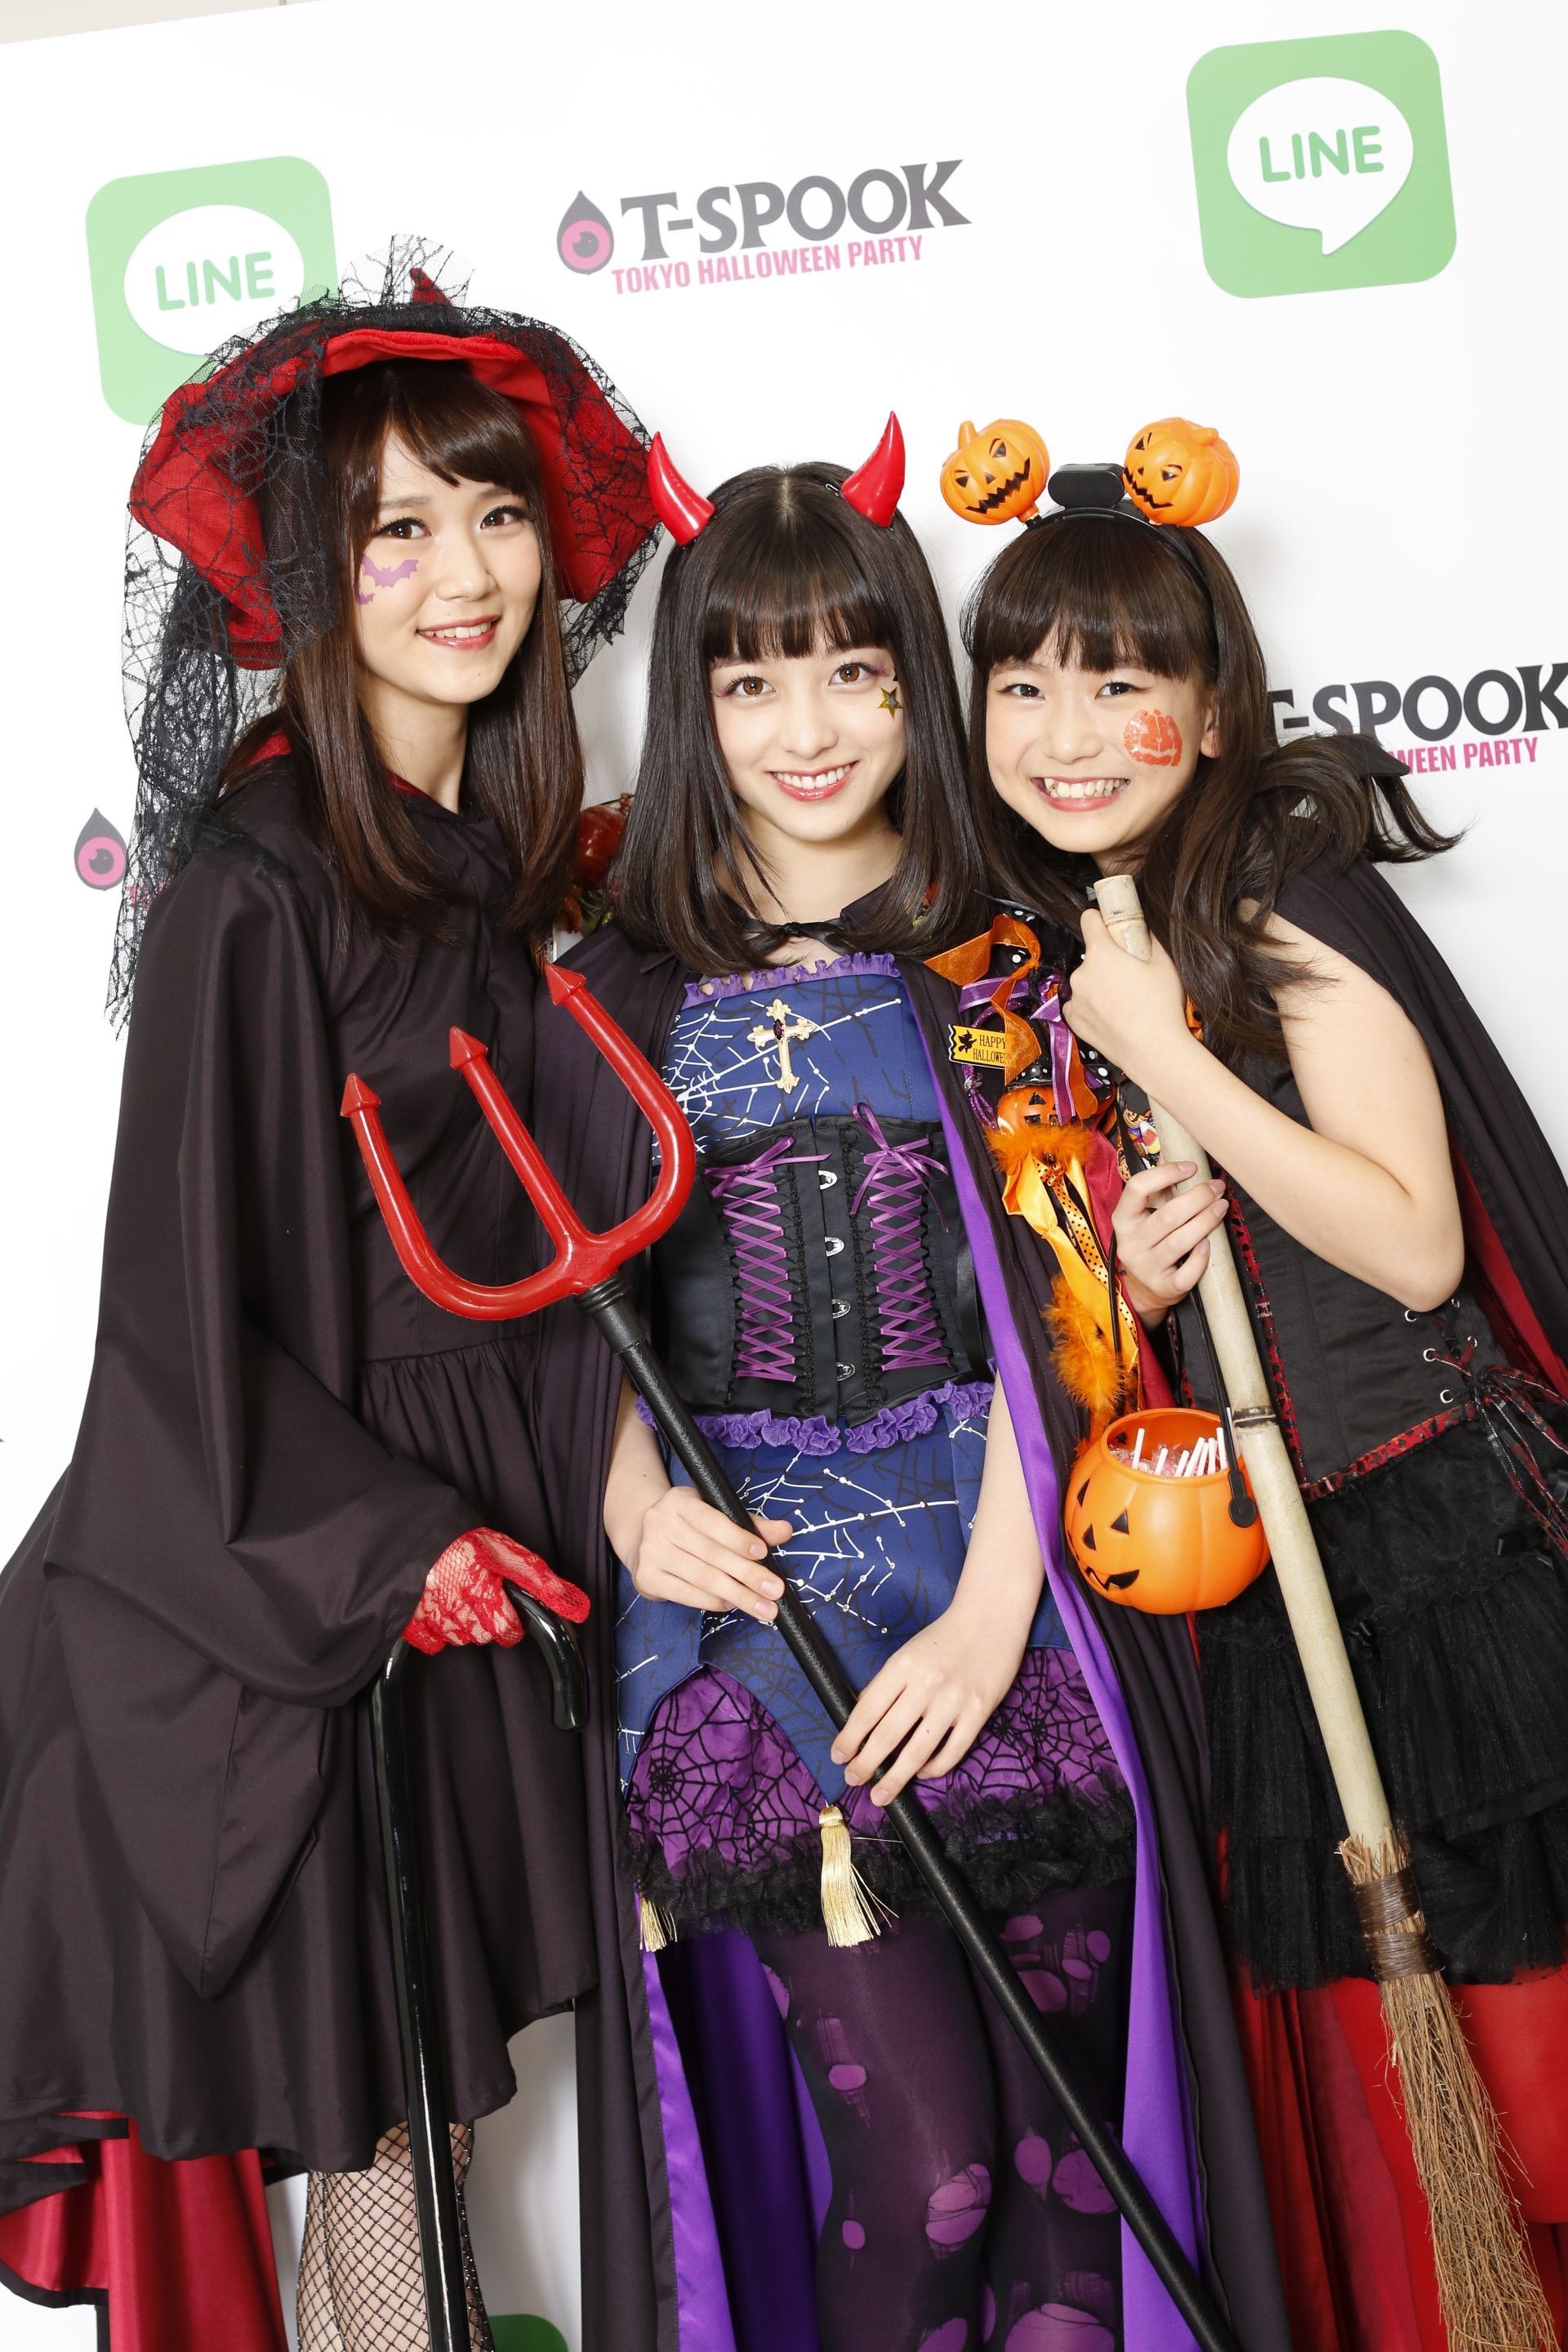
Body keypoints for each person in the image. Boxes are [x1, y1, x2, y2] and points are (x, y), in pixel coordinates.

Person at [525, 424, 1293, 2352]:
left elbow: (1067, 1322)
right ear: (692, 701)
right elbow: (558, 1315)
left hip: (1013, 1591)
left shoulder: (1013, 967)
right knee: (929, 2165)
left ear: (913, 686)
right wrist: (631, 1506)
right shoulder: (610, 990)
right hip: (753, 1618)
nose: (809, 729)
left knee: (1061, 2173)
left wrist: (987, 1614)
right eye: (751, 679)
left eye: (856, 671)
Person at [0, 247, 657, 2352]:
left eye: (495, 515)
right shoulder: (253, 883)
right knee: (375, 2146)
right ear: (306, 576)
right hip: (282, 1612)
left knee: (418, 2142)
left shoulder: (493, 864)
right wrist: (391, 1550)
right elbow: (173, 1329)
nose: (466, 575)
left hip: (463, 1554)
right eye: (397, 532)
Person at [961, 439, 1568, 2349]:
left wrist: (1172, 1059)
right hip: (1279, 1584)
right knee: (1408, 2141)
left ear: (1215, 709)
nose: (1068, 733)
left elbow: (1415, 1247)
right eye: (1024, 684)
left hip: (1447, 1556)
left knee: (1544, 2099)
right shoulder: (1082, 949)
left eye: (1120, 682)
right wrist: (1148, 1273)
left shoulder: (1284, 891)